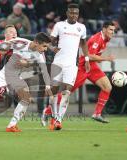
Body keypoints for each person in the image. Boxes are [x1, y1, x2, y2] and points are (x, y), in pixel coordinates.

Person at [49, 3, 90, 131]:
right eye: (71, 13)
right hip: (58, 62)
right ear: (67, 13)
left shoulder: (81, 27)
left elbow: (83, 43)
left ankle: (59, 120)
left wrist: (87, 59)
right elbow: (49, 41)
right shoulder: (59, 25)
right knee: (53, 95)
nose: (74, 15)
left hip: (72, 65)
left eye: (76, 13)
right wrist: (51, 48)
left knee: (67, 92)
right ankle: (54, 116)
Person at [71, 21, 116, 123]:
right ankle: (48, 111)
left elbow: (94, 56)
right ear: (104, 29)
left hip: (92, 66)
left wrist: (99, 58)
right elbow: (89, 56)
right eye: (110, 30)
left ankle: (97, 114)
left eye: (114, 30)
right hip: (83, 67)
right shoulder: (97, 39)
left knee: (107, 87)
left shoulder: (105, 39)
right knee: (68, 90)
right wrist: (106, 58)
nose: (113, 32)